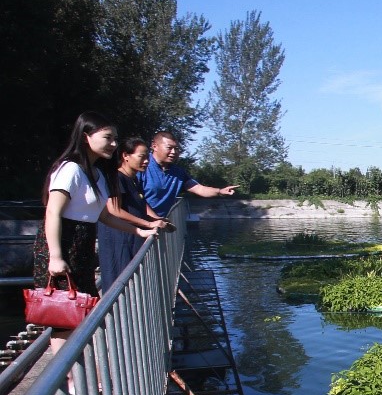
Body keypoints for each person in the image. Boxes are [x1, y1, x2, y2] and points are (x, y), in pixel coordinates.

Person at [36, 113, 157, 352]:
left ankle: (79, 377)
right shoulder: (69, 169)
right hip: (63, 243)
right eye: (107, 138)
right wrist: (56, 256)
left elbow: (105, 216)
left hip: (82, 246)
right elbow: (52, 213)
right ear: (85, 137)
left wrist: (140, 231)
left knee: (83, 312)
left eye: (115, 138)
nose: (113, 143)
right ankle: (70, 380)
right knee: (64, 317)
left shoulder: (97, 174)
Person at [98, 137, 168, 292]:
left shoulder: (133, 179)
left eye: (147, 157)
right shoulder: (116, 177)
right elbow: (114, 210)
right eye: (141, 157)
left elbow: (140, 204)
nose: (146, 161)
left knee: (134, 283)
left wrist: (156, 219)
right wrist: (149, 224)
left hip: (132, 238)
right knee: (120, 282)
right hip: (119, 239)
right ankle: (119, 316)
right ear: (125, 156)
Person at [140, 131, 239, 217]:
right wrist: (153, 220)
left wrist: (220, 191)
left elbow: (200, 189)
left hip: (156, 227)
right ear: (154, 146)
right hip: (135, 226)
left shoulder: (178, 172)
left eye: (176, 148)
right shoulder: (140, 166)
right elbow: (133, 199)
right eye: (169, 148)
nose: (174, 152)